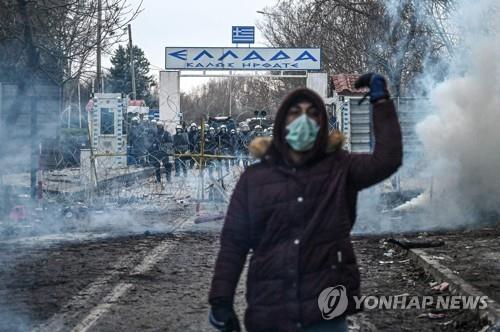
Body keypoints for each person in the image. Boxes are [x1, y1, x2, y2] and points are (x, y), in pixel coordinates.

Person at [208, 74, 402, 332]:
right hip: (270, 310)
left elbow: (387, 159)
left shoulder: (340, 168)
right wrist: (221, 300)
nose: (304, 120)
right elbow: (234, 243)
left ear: (322, 122)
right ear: (281, 123)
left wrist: (380, 102)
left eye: (313, 113)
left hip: (326, 312)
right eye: (294, 112)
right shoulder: (254, 179)